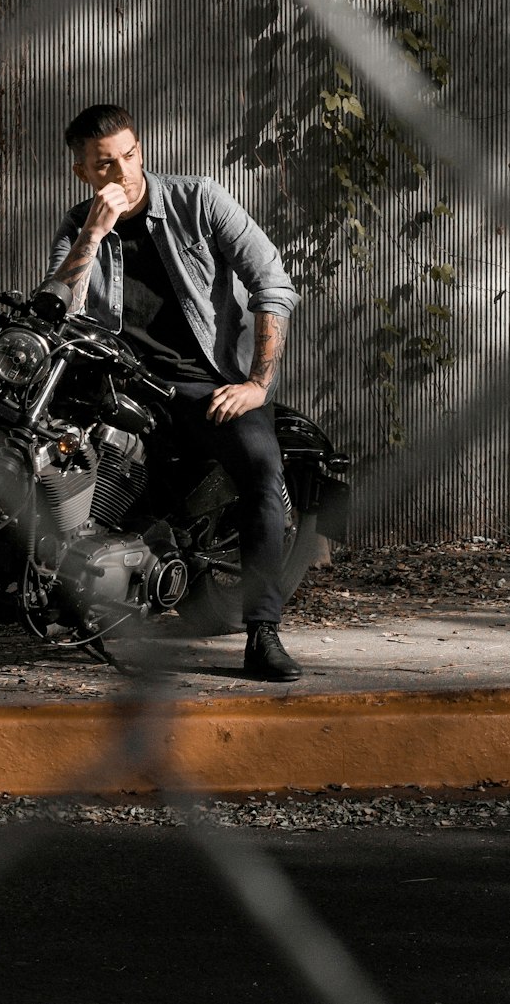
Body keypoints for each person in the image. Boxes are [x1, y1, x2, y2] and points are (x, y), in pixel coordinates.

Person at [46, 103, 303, 681]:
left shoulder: (199, 199)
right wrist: (93, 232)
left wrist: (256, 383)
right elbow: (59, 305)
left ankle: (262, 631)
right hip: (116, 385)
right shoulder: (76, 226)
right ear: (83, 173)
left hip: (199, 383)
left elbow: (272, 282)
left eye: (129, 156)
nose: (123, 172)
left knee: (262, 468)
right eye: (104, 165)